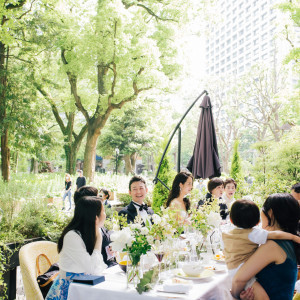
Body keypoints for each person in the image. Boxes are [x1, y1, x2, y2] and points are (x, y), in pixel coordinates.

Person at [223, 199, 300, 300]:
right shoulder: (288, 242)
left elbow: (238, 280)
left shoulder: (272, 246)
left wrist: (235, 295)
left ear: (270, 213)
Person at [46, 196, 107, 299]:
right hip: (69, 291)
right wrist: (99, 239)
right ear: (95, 217)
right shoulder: (72, 236)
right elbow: (93, 269)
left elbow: (99, 267)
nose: (105, 215)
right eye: (103, 211)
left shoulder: (90, 233)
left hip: (85, 287)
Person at [74, 186, 117, 268]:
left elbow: (107, 234)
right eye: (97, 197)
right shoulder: (80, 231)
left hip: (108, 264)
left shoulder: (96, 222)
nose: (100, 200)